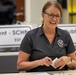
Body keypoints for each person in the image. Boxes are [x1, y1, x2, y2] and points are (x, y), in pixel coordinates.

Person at [17, 1, 76, 72]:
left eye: (58, 16)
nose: (54, 19)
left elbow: (74, 64)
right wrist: (39, 62)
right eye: (51, 15)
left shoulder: (65, 35)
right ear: (43, 15)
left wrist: (68, 60)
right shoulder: (30, 36)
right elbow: (20, 65)